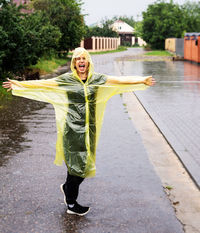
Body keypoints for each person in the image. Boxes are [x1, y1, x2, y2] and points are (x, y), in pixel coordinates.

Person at [3, 47, 155, 216]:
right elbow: (43, 84)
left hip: (90, 127)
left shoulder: (96, 79)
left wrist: (142, 80)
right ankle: (71, 204)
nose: (81, 61)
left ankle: (68, 188)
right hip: (72, 129)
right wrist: (18, 85)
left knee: (85, 162)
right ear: (74, 63)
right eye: (78, 59)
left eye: (84, 58)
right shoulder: (67, 79)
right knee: (76, 165)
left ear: (88, 61)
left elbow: (118, 81)